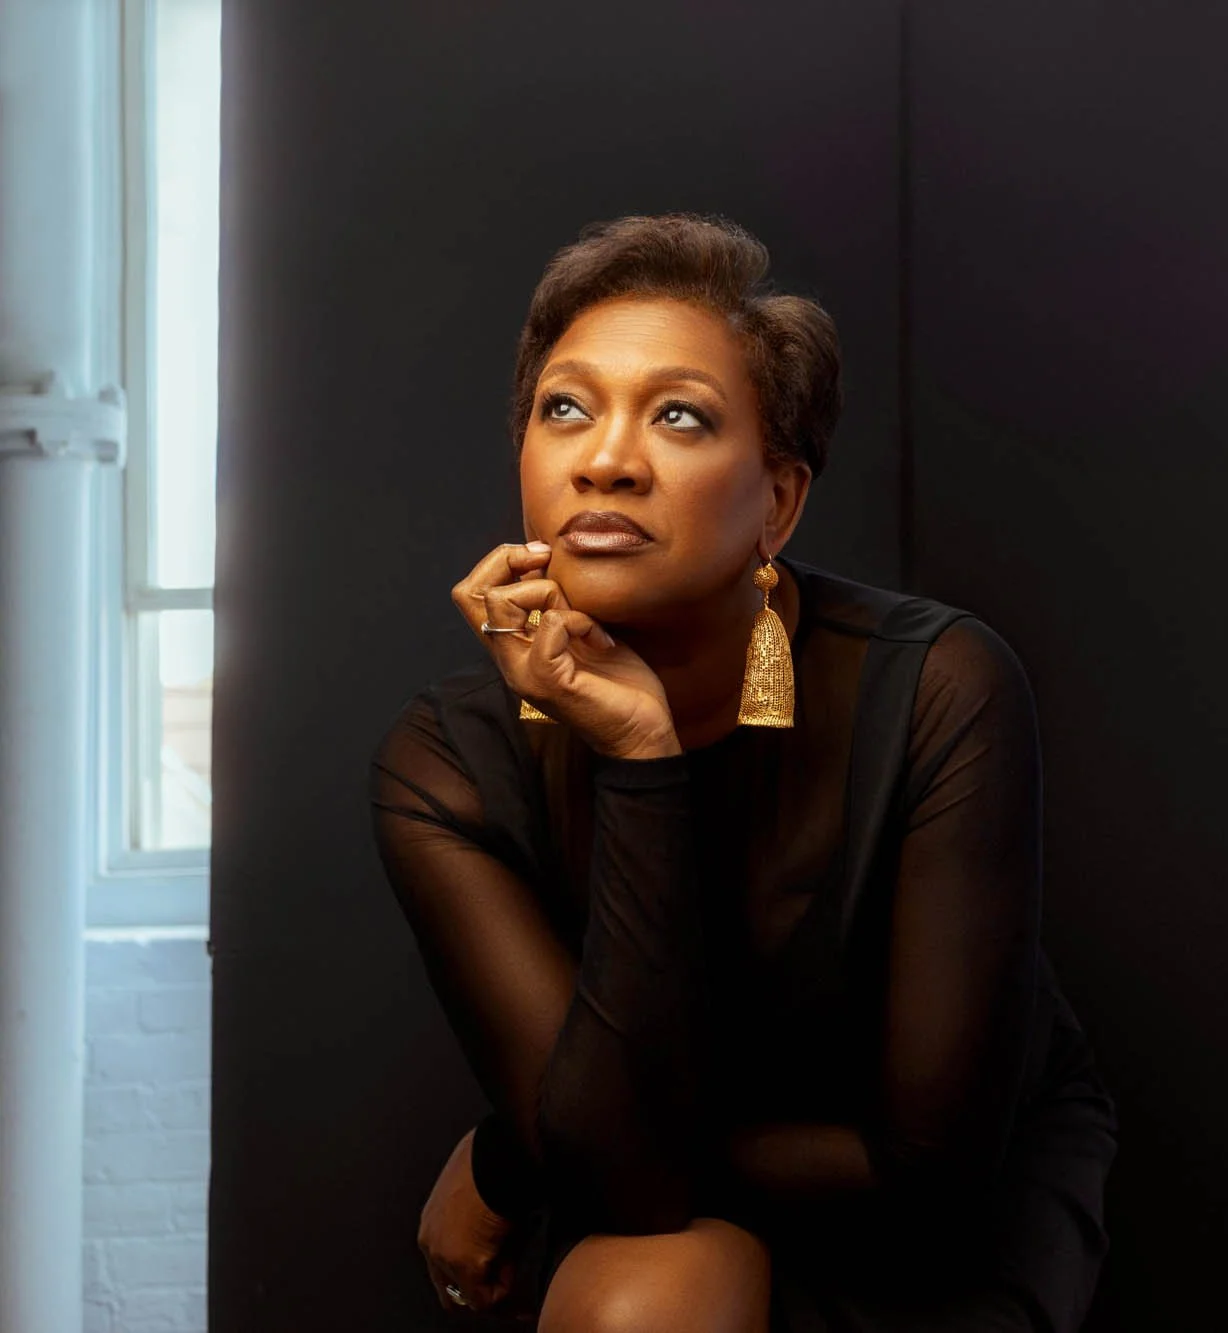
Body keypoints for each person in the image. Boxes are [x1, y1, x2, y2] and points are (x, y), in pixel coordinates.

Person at [367, 213, 1117, 1333]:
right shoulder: (447, 765)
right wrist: (637, 755)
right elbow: (624, 1178)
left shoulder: (938, 686)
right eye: (564, 406)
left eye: (678, 415)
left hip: (936, 1199)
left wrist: (508, 1158)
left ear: (777, 500)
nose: (605, 457)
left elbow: (926, 1164)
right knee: (636, 1302)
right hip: (655, 1170)